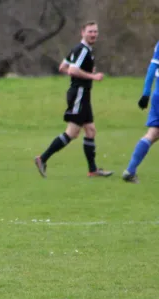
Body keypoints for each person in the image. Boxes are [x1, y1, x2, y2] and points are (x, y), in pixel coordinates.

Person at [34, 21, 113, 178]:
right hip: (79, 94)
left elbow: (62, 67)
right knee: (72, 132)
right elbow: (72, 69)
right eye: (90, 31)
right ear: (82, 32)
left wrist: (81, 75)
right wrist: (92, 76)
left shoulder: (80, 49)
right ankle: (42, 158)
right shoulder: (82, 50)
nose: (93, 34)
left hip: (82, 93)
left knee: (90, 131)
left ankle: (93, 170)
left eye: (95, 32)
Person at [122, 41, 159, 183]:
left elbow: (152, 68)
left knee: (153, 133)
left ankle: (130, 170)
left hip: (157, 95)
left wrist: (146, 94)